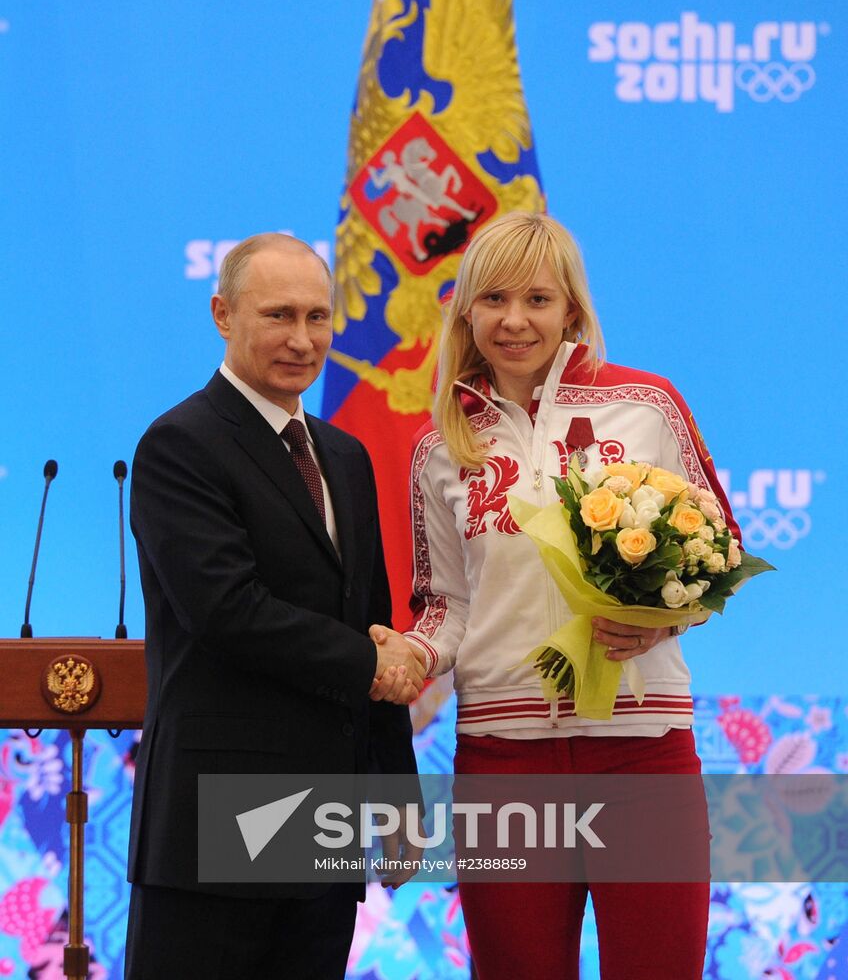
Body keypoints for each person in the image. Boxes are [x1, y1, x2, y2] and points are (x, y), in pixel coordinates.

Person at [371, 212, 740, 979]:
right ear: (466, 310)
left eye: (537, 299)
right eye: (494, 298)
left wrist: (663, 620)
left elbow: (721, 555)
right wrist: (410, 652)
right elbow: (446, 608)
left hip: (643, 753)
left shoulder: (647, 405)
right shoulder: (440, 446)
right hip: (503, 762)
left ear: (571, 308)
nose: (514, 321)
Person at [124, 232, 423, 979]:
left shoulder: (344, 456)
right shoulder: (180, 444)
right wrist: (372, 664)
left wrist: (398, 799)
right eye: (278, 315)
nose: (302, 339)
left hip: (320, 825)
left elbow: (373, 621)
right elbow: (229, 611)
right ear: (223, 314)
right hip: (215, 827)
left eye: (318, 318)